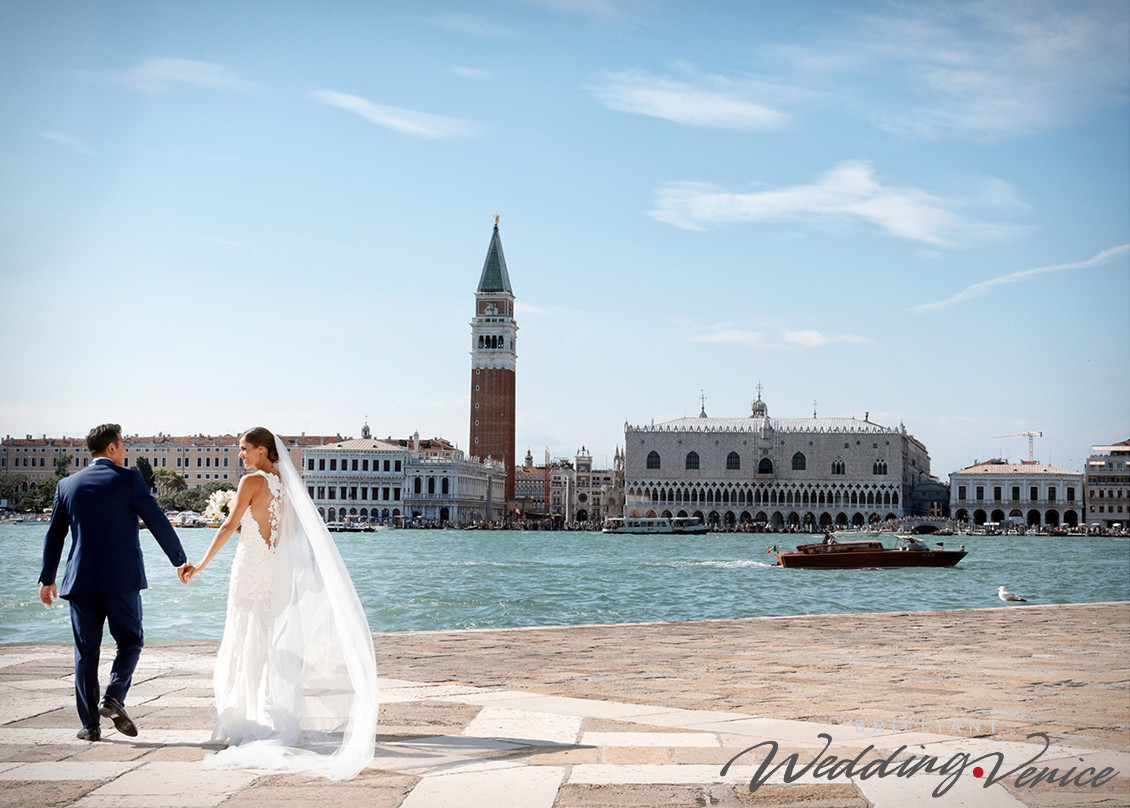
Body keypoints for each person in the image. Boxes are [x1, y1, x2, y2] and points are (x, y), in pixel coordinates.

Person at [183, 427, 377, 779]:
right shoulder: (287, 484)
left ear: (262, 450)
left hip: (250, 570)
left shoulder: (252, 482)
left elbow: (229, 526)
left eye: (244, 449)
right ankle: (269, 713)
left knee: (245, 637)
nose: (240, 454)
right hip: (276, 574)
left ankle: (245, 716)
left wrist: (200, 565)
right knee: (269, 640)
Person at [38, 423, 190, 742]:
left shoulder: (67, 485)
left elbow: (55, 535)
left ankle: (90, 726)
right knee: (131, 641)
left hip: (78, 582)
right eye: (122, 446)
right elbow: (157, 520)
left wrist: (47, 579)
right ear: (111, 448)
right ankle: (114, 696)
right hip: (122, 579)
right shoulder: (129, 479)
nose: (125, 451)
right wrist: (179, 560)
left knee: (86, 652)